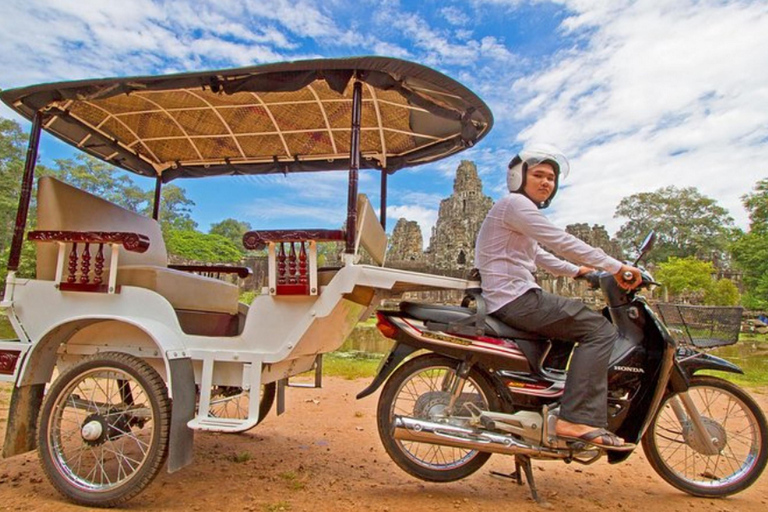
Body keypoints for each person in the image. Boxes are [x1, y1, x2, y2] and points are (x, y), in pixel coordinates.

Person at [474, 143, 642, 451]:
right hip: (515, 297)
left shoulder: (518, 211)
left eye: (551, 178)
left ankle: (542, 401)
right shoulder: (515, 204)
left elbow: (538, 254)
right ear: (518, 177)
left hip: (512, 296)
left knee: (566, 331)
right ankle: (574, 418)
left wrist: (578, 272)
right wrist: (617, 267)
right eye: (538, 175)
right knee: (599, 329)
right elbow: (558, 240)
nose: (546, 182)